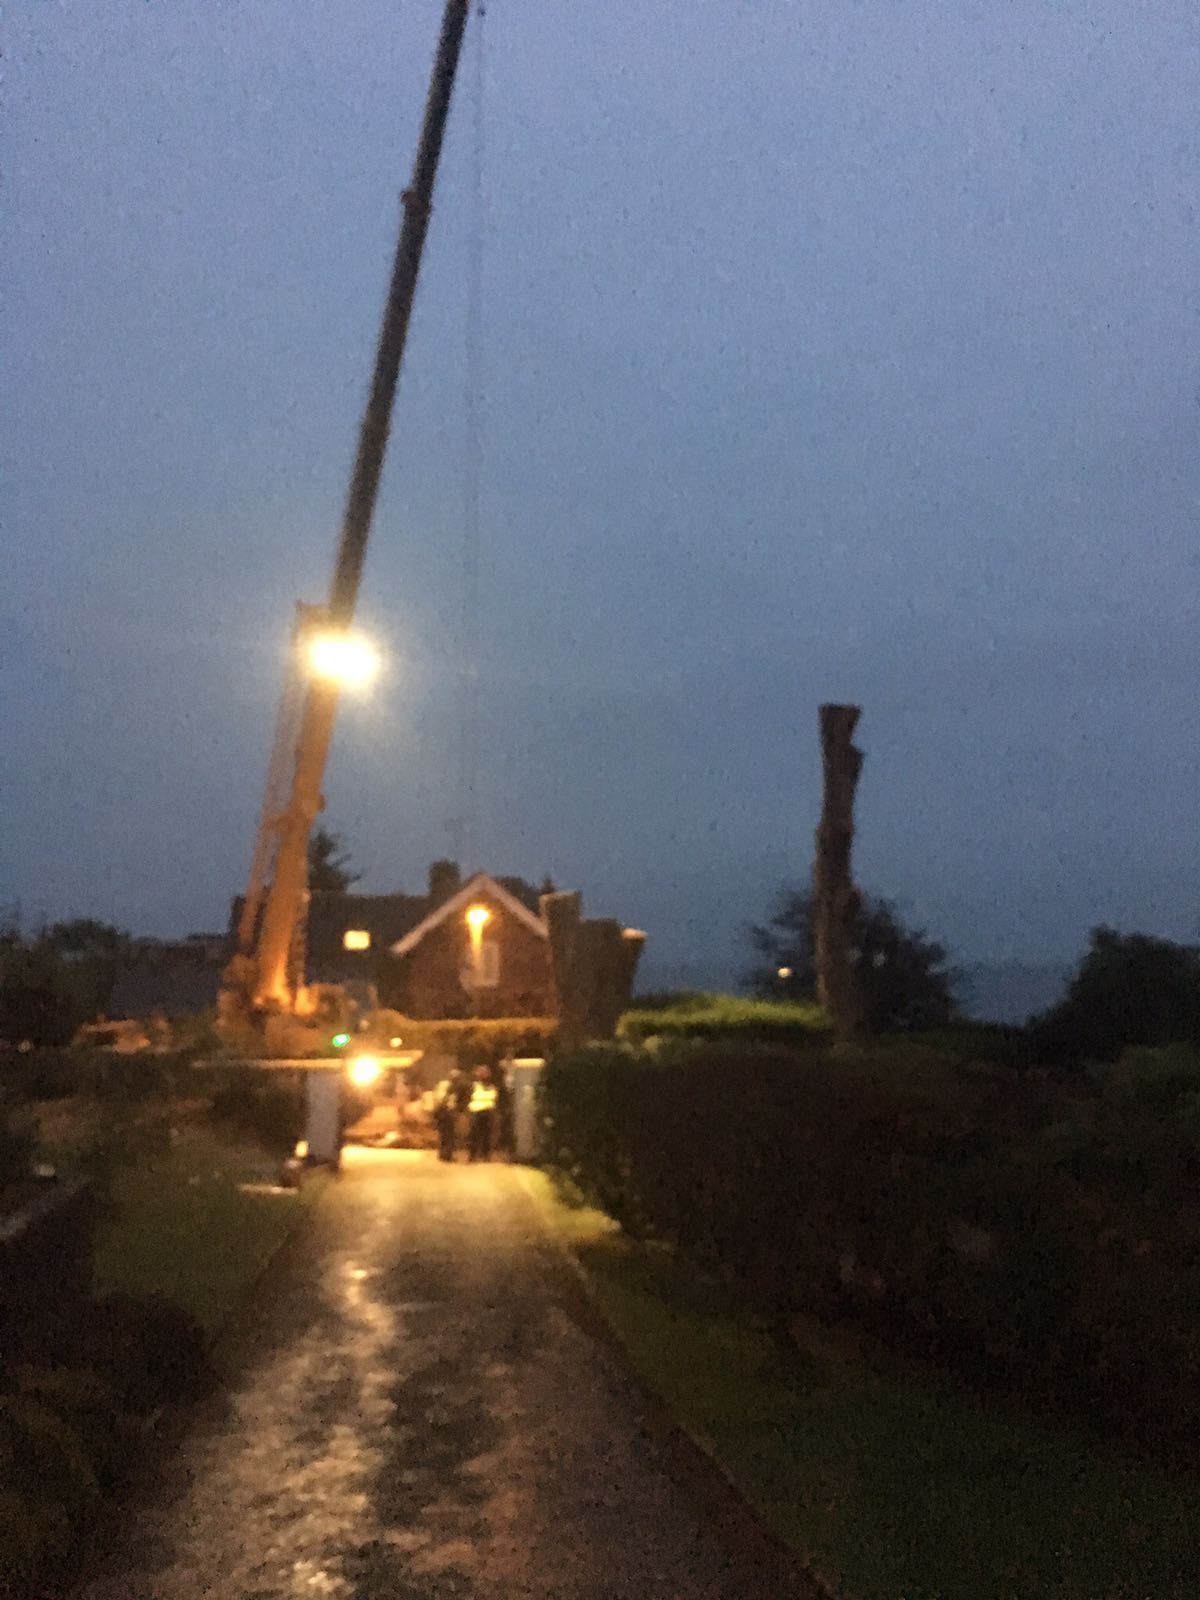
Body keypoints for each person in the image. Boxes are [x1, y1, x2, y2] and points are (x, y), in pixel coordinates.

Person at [433, 1067, 466, 1162]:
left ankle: (444, 1154)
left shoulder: (443, 1085)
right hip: (447, 1113)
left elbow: (438, 1098)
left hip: (443, 1112)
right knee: (448, 1135)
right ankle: (446, 1155)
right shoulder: (455, 1086)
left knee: (445, 1135)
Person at [467, 1065, 498, 1162]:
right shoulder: (474, 1086)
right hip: (476, 1111)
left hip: (488, 1112)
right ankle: (473, 1155)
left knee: (487, 1135)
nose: (483, 1075)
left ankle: (485, 1155)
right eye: (481, 1073)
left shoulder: (492, 1086)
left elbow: (494, 1098)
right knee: (474, 1135)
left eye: (485, 1073)